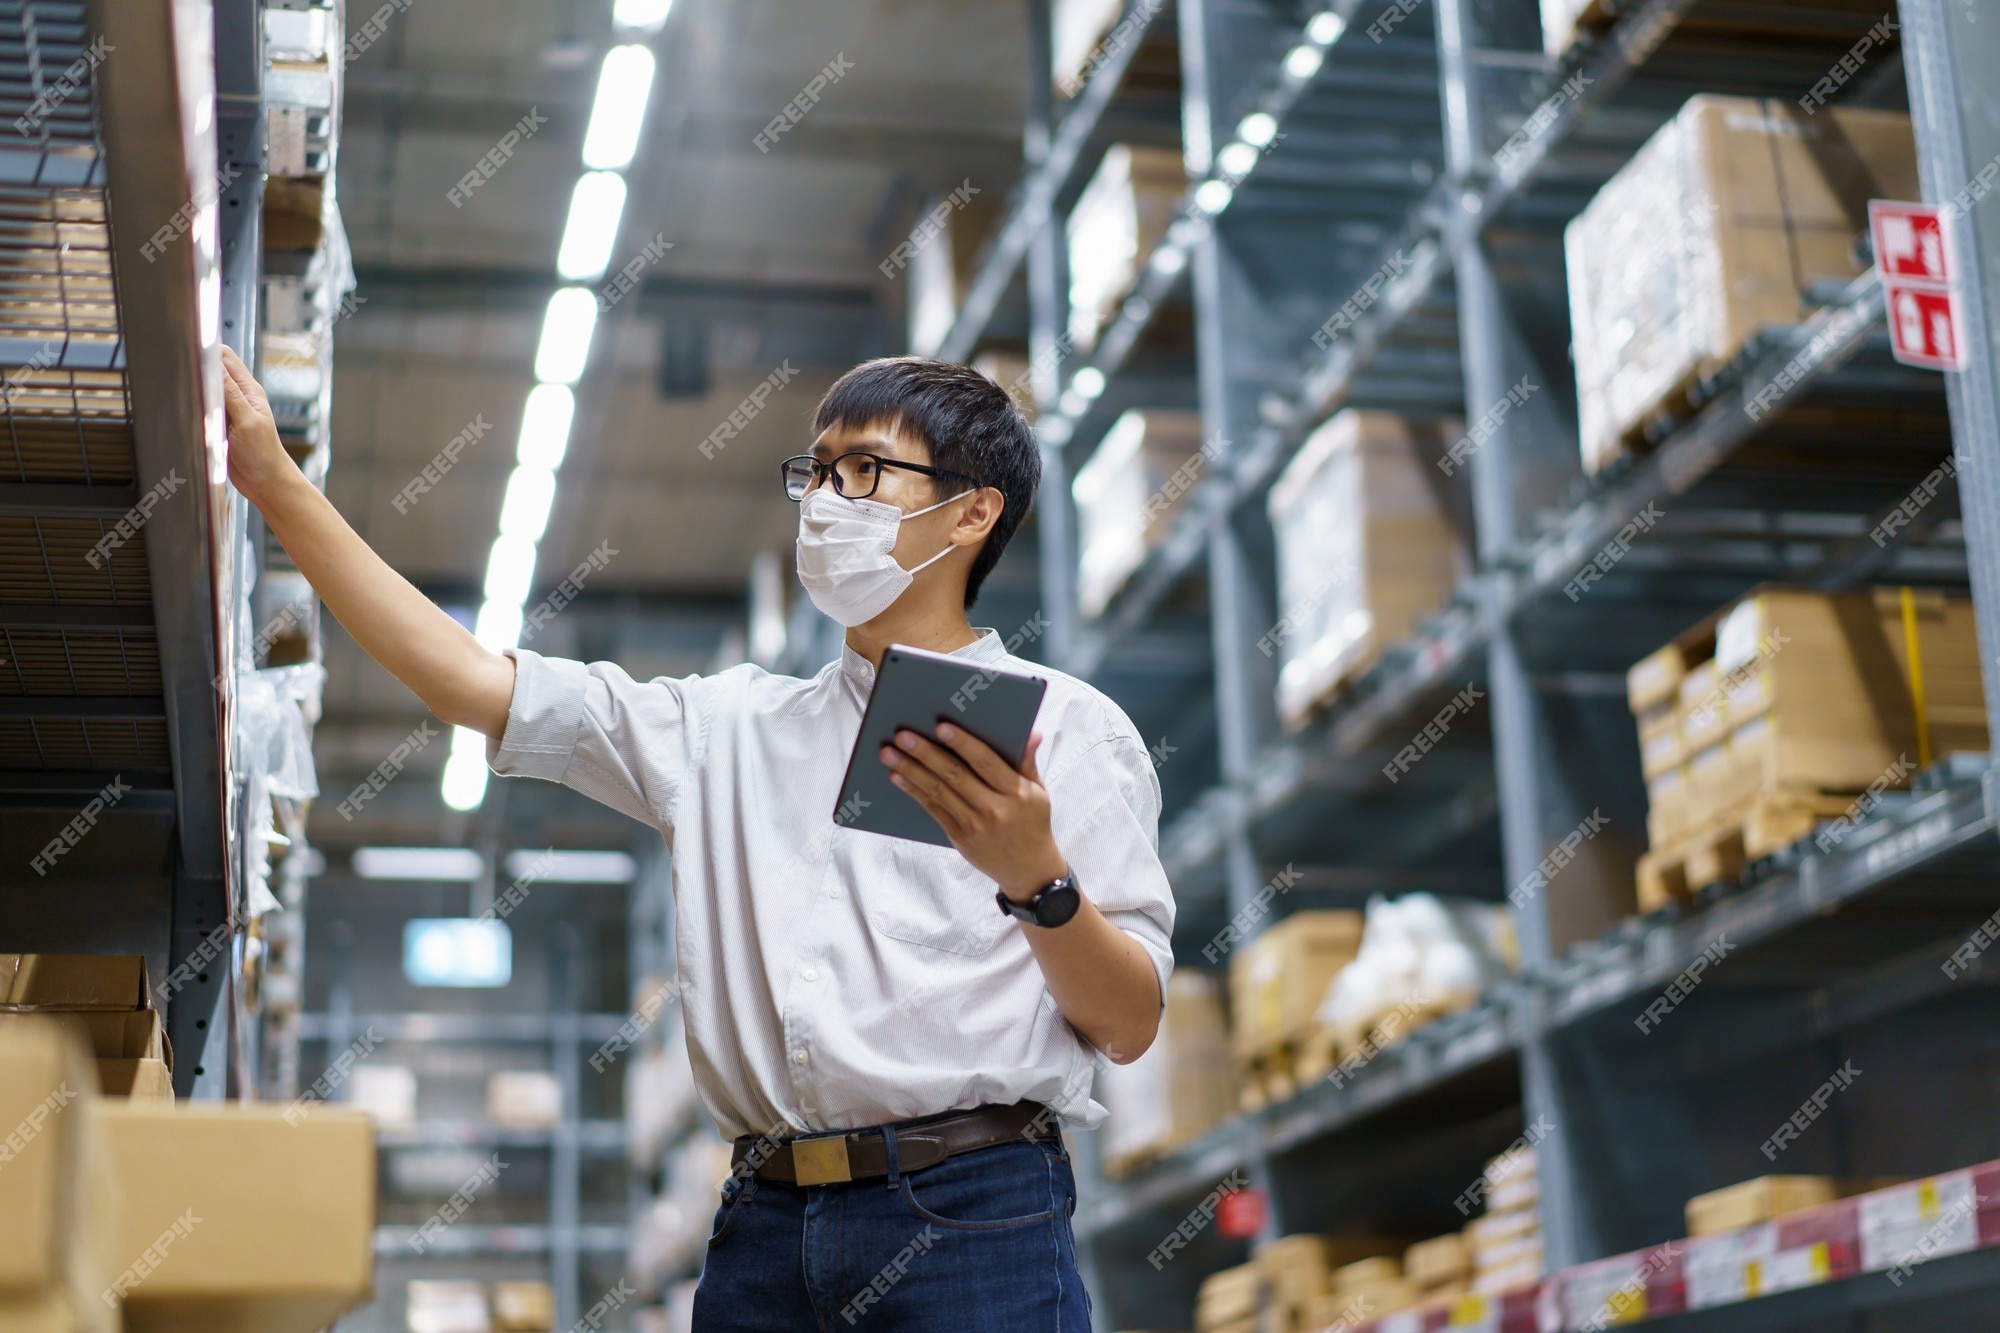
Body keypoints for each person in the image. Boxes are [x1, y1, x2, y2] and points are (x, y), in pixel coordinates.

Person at [223, 348, 1174, 1330]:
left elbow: (1128, 1021)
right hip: (763, 1228)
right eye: (817, 469)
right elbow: (467, 680)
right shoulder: (723, 731)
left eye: (865, 470)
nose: (825, 500)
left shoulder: (1068, 731)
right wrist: (275, 483)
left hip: (968, 1216)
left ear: (971, 512)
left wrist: (1037, 882)